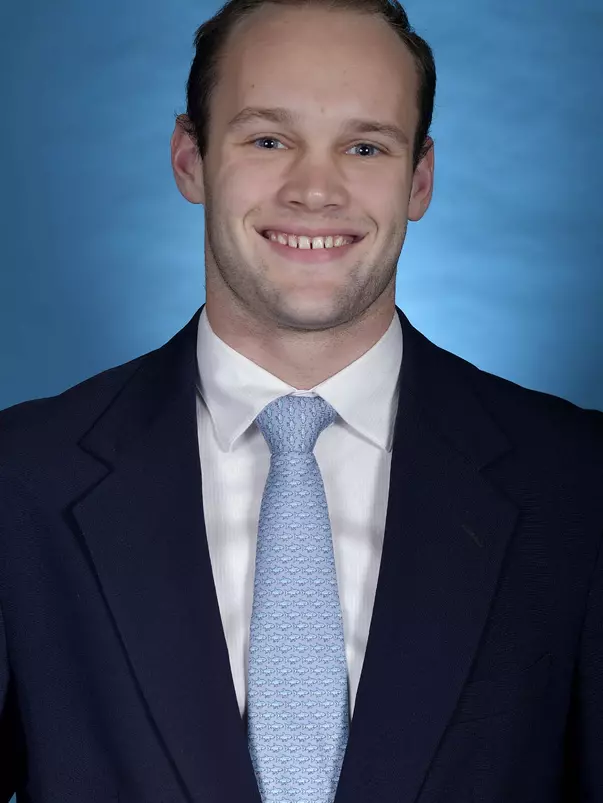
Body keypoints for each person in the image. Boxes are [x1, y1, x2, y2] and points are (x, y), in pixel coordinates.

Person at [1, 0, 602, 800]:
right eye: (268, 140)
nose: (315, 190)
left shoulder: (579, 483)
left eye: (364, 146)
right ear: (189, 158)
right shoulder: (19, 480)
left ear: (419, 178)